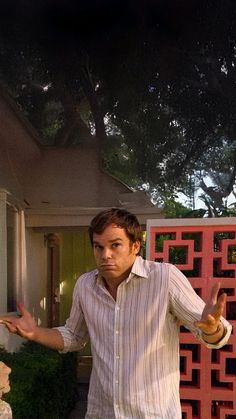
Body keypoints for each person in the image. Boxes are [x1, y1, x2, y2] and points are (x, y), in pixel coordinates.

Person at [0, 208, 232, 418]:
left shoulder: (164, 279)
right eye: (98, 246)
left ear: (134, 246)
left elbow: (211, 333)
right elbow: (74, 336)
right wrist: (35, 333)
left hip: (153, 413)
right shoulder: (85, 286)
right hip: (103, 412)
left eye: (115, 245)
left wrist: (213, 329)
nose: (105, 254)